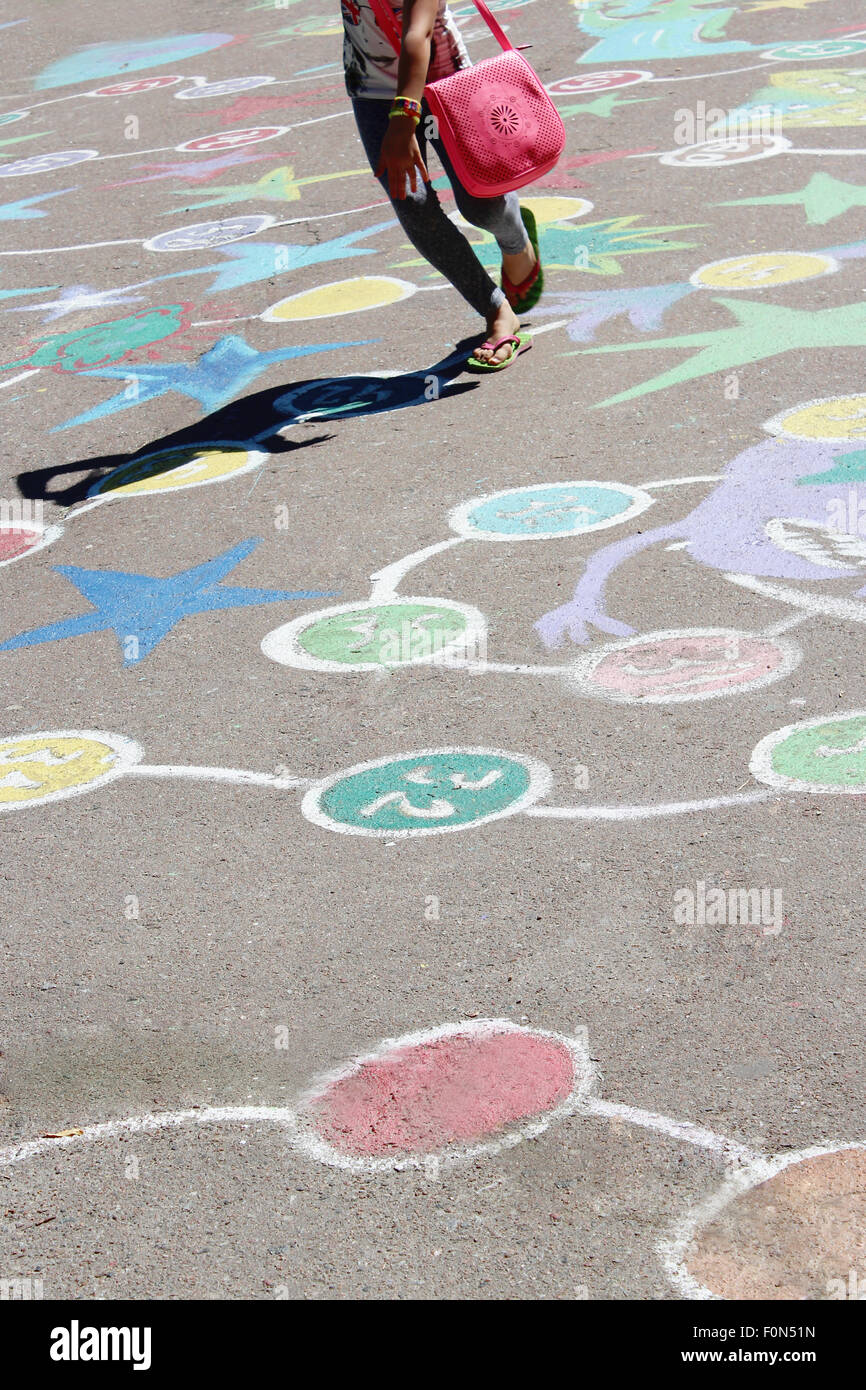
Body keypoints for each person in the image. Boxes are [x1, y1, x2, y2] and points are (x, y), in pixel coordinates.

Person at [341, 0, 543, 370]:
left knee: (480, 203)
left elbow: (417, 32)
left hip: (443, 77)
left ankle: (517, 241)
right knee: (413, 205)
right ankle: (497, 311)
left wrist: (403, 119)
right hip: (371, 87)